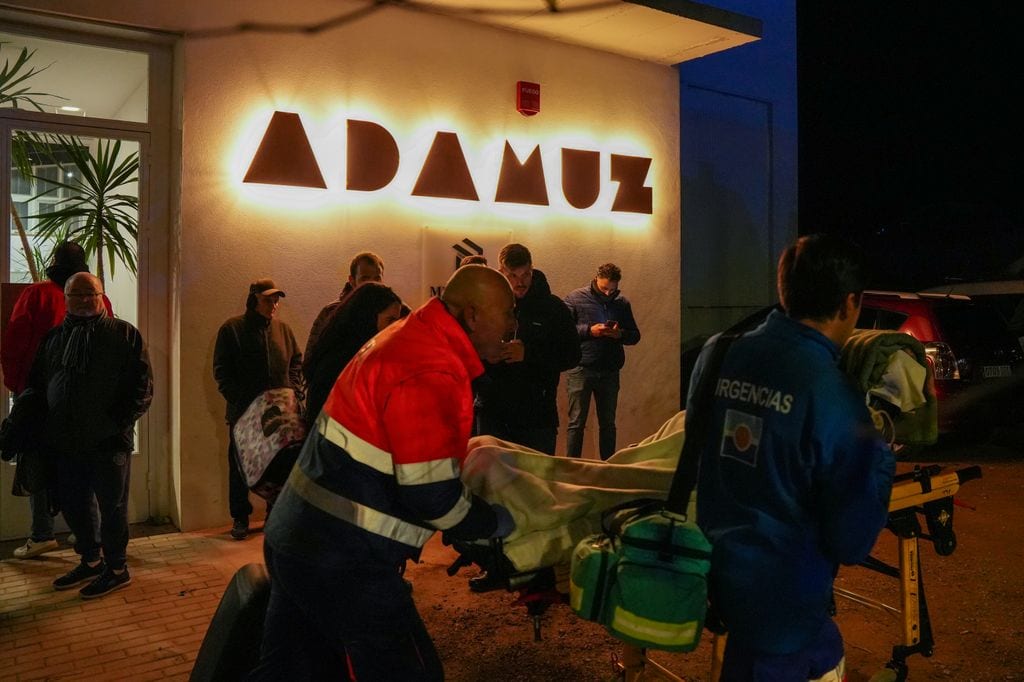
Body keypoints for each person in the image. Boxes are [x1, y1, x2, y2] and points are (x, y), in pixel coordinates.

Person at [252, 265, 517, 681]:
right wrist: (491, 522)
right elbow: (430, 493)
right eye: (508, 314)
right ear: (473, 315)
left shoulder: (409, 338)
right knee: (410, 672)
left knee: (289, 671)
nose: (512, 327)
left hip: (297, 537)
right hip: (345, 560)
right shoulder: (431, 368)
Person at [690, 234, 895, 681]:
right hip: (785, 606)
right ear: (850, 304)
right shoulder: (833, 396)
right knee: (819, 659)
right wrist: (879, 459)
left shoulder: (718, 351)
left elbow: (700, 446)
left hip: (718, 578)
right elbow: (852, 542)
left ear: (785, 291)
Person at [27, 272, 152, 598]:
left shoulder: (124, 334)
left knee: (112, 509)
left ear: (101, 296)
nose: (83, 300)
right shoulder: (54, 338)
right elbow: (39, 386)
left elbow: (142, 387)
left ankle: (117, 568)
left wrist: (117, 424)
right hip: (66, 442)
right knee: (74, 506)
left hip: (109, 442)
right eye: (76, 294)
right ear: (66, 298)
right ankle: (91, 560)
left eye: (90, 294)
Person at [2, 242, 110, 559]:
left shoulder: (36, 295)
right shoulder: (98, 296)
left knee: (37, 460)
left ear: (53, 263)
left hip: (39, 397)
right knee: (83, 465)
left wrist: (17, 387)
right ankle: (87, 534)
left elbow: (15, 341)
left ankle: (42, 533)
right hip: (83, 400)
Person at [213, 278, 302, 540]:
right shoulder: (232, 329)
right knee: (241, 467)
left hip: (279, 416)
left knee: (278, 463)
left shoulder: (283, 330)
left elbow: (296, 362)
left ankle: (274, 512)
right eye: (267, 299)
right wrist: (241, 401)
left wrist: (293, 391)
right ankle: (240, 518)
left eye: (276, 300)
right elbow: (221, 371)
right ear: (253, 300)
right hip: (244, 415)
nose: (273, 305)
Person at [473, 243, 580, 455]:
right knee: (491, 484)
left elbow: (572, 355)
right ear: (501, 272)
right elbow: (467, 349)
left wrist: (528, 354)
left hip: (536, 417)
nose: (520, 283)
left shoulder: (553, 308)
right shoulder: (485, 306)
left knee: (537, 483)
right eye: (513, 276)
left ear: (532, 269)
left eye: (525, 275)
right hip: (492, 413)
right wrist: (486, 355)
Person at [563, 263, 641, 460]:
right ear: (596, 279)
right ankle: (572, 466)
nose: (608, 293)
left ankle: (608, 466)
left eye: (612, 289)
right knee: (576, 423)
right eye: (605, 288)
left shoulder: (621, 303)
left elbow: (635, 335)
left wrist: (619, 334)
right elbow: (563, 331)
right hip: (581, 368)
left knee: (608, 424)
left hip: (609, 370)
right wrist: (590, 331)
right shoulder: (575, 298)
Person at [302, 281, 405, 429]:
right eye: (390, 320)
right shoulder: (344, 362)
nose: (395, 328)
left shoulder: (350, 353)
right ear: (367, 318)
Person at [304, 251, 385, 363]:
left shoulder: (389, 313)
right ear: (352, 281)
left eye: (377, 278)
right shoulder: (332, 312)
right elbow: (312, 358)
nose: (372, 284)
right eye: (365, 279)